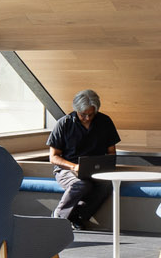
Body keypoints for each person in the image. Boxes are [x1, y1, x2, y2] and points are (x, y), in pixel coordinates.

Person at [47, 89, 120, 229]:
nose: (87, 118)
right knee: (82, 184)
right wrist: (74, 167)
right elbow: (54, 157)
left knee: (106, 185)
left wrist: (106, 167)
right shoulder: (63, 124)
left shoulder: (105, 122)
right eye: (83, 115)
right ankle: (58, 216)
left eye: (91, 114)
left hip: (96, 170)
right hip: (67, 169)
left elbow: (111, 152)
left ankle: (77, 216)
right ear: (76, 110)